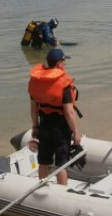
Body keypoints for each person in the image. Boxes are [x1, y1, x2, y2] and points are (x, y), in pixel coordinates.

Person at [27, 48, 81, 185]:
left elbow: (34, 108)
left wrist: (35, 126)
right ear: (58, 63)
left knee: (43, 160)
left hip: (44, 123)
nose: (65, 64)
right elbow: (69, 112)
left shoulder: (36, 81)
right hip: (60, 127)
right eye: (64, 61)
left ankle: (41, 186)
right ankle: (62, 192)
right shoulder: (64, 84)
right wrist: (76, 132)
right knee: (61, 163)